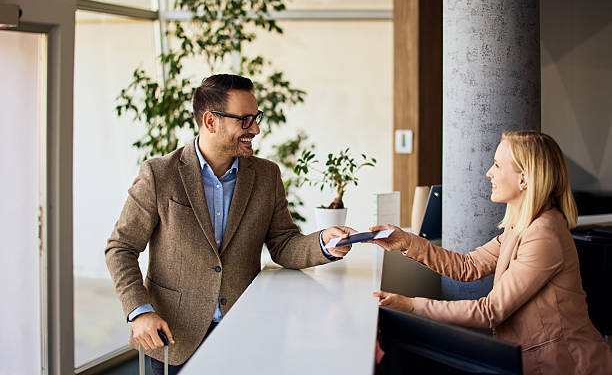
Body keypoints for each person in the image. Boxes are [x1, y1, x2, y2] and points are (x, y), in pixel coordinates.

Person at [105, 74, 353, 375]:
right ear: (211, 121)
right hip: (174, 337)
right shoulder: (160, 174)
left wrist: (324, 242)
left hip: (246, 334)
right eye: (246, 120)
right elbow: (121, 248)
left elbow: (284, 243)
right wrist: (139, 312)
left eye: (256, 118)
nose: (256, 129)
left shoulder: (267, 176)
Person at [369, 131, 612, 375]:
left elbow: (490, 311)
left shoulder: (543, 235)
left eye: (497, 165)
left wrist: (411, 306)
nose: (489, 173)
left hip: (567, 365)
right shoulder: (521, 226)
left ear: (523, 180)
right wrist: (406, 241)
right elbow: (468, 266)